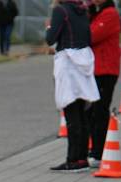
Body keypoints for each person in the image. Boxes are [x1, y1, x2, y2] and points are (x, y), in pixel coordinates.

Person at [46, 0, 100, 172]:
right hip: (83, 62)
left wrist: (48, 28)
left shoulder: (60, 10)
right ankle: (82, 158)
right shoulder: (83, 10)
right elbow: (88, 37)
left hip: (68, 63)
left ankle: (72, 159)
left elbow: (50, 39)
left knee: (71, 113)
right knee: (82, 113)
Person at [87, 0, 121, 169]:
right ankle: (93, 150)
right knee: (92, 111)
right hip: (96, 69)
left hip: (106, 70)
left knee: (99, 111)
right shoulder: (97, 12)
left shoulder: (110, 14)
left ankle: (98, 153)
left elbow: (91, 36)